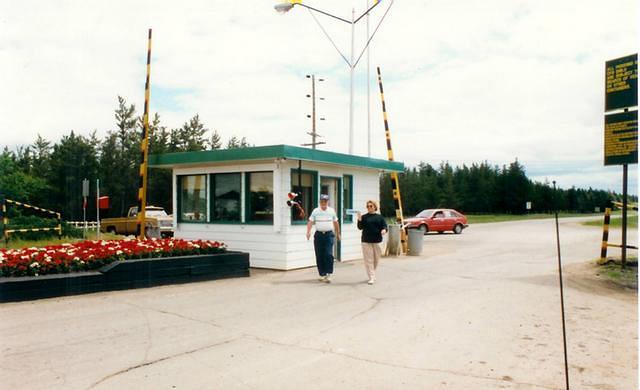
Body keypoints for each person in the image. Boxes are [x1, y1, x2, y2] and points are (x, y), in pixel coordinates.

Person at [306, 194, 340, 283]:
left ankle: (328, 273)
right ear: (320, 202)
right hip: (319, 235)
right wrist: (308, 232)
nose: (323, 203)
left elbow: (336, 222)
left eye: (325, 201)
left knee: (328, 254)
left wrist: (338, 233)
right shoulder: (316, 211)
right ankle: (322, 274)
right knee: (319, 254)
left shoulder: (331, 211)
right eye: (322, 201)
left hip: (329, 235)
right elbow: (310, 222)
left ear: (327, 202)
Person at [356, 200, 387, 285]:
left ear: (375, 207)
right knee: (369, 260)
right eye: (368, 206)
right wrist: (359, 219)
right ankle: (371, 277)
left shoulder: (379, 217)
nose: (369, 208)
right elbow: (360, 227)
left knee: (376, 259)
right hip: (366, 240)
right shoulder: (364, 217)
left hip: (377, 240)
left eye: (371, 206)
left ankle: (372, 273)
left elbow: (384, 226)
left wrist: (384, 230)